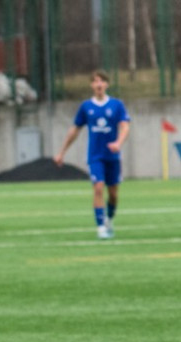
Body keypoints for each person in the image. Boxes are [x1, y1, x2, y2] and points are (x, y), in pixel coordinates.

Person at [53, 69, 130, 240]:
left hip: (113, 157)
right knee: (98, 187)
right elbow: (74, 130)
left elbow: (125, 126)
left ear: (107, 84)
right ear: (91, 85)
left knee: (114, 194)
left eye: (102, 81)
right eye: (95, 81)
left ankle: (109, 219)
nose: (99, 84)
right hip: (95, 156)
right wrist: (61, 152)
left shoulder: (117, 105)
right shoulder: (86, 107)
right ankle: (101, 227)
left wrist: (118, 143)